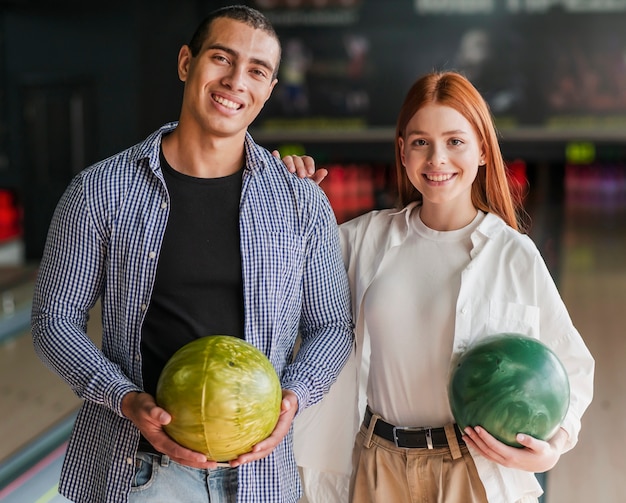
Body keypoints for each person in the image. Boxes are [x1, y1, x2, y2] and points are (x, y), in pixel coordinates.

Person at [31, 5, 353, 503]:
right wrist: (123, 397)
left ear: (269, 90)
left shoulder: (299, 200)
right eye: (221, 58)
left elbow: (331, 326)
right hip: (137, 471)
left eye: (257, 71)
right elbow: (54, 319)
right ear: (187, 63)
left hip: (261, 477)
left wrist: (292, 398)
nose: (235, 81)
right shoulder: (101, 191)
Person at [288, 71, 594, 503]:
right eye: (420, 142)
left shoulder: (512, 254)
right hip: (376, 467)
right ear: (402, 150)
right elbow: (279, 284)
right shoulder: (359, 241)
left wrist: (552, 448)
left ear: (483, 150)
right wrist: (288, 197)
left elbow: (572, 364)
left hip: (471, 469)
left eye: (455, 141)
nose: (437, 159)